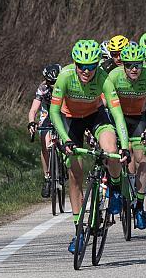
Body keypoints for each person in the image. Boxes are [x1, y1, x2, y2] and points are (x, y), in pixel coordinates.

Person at [49, 40, 130, 253]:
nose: (86, 71)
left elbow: (118, 114)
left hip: (96, 117)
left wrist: (125, 145)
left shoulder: (103, 78)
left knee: (111, 152)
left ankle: (114, 186)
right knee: (74, 173)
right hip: (70, 120)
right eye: (82, 66)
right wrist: (65, 139)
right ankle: (79, 231)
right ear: (75, 64)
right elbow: (54, 112)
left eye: (91, 66)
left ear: (97, 65)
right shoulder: (65, 76)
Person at [108, 44, 146, 230]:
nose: (134, 69)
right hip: (117, 117)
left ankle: (139, 205)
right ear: (123, 64)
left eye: (137, 64)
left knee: (142, 159)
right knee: (115, 153)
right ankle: (116, 189)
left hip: (138, 119)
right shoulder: (114, 77)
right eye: (129, 65)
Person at [27, 64, 62, 197]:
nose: (53, 85)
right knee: (45, 142)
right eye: (50, 82)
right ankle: (47, 177)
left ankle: (65, 164)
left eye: (55, 82)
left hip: (63, 111)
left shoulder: (66, 84)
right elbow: (33, 110)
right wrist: (31, 122)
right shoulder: (43, 88)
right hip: (47, 112)